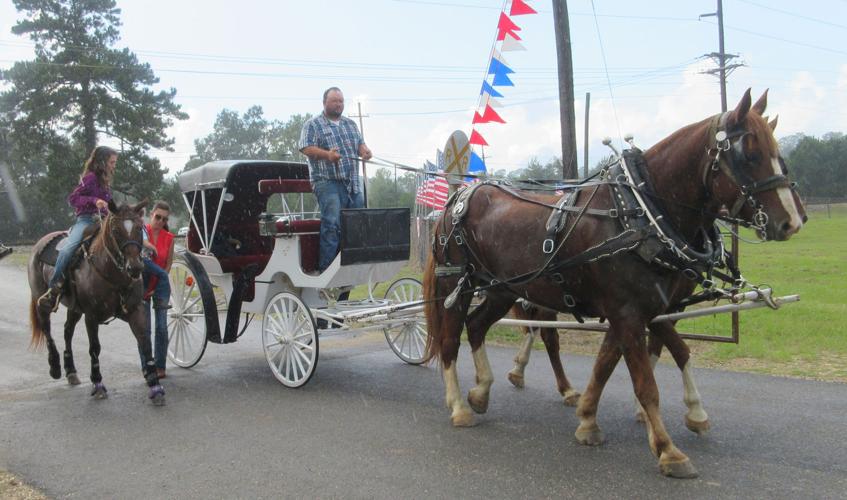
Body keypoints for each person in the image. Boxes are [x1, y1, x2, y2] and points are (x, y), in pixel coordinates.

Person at [299, 87, 373, 272]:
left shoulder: (350, 124)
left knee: (356, 225)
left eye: (341, 101)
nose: (339, 104)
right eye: (334, 101)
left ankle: (351, 267)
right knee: (332, 224)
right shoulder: (313, 124)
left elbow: (360, 144)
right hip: (327, 181)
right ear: (324, 103)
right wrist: (327, 155)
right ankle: (327, 270)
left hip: (353, 183)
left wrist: (365, 151)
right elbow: (305, 148)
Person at [39, 146, 117, 312]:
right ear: (102, 162)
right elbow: (73, 199)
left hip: (103, 221)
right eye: (112, 162)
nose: (113, 166)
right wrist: (94, 200)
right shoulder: (89, 178)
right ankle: (53, 289)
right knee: (69, 249)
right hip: (86, 220)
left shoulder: (106, 182)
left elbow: (109, 205)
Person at [138, 200, 175, 379]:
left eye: (164, 219)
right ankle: (147, 366)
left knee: (161, 327)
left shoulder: (169, 238)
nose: (160, 221)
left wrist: (159, 284)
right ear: (151, 215)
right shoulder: (141, 232)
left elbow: (168, 264)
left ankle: (160, 366)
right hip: (142, 283)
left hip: (160, 287)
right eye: (158, 217)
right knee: (145, 329)